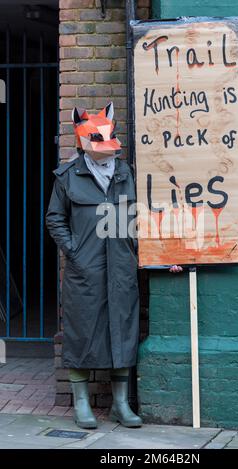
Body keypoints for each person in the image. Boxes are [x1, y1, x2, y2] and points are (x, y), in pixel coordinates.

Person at [46, 102, 183, 430]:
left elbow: (146, 219)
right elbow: (54, 218)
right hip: (85, 270)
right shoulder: (67, 177)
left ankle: (121, 404)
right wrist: (73, 251)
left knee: (123, 331)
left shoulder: (127, 174)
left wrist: (163, 258)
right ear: (84, 144)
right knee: (81, 332)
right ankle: (82, 403)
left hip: (122, 269)